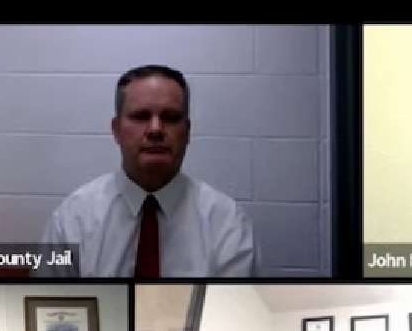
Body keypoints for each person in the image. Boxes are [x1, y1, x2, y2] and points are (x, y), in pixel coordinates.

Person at [37, 64, 254, 277]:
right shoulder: (71, 220)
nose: (156, 129)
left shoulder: (227, 223)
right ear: (116, 130)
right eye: (141, 116)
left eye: (170, 117)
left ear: (187, 132)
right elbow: (50, 300)